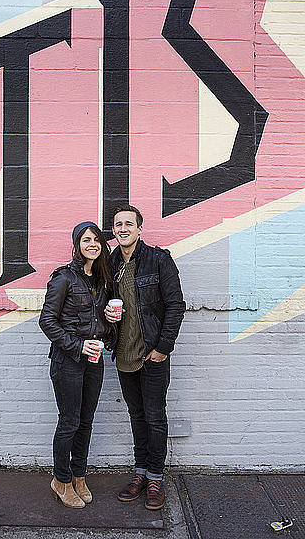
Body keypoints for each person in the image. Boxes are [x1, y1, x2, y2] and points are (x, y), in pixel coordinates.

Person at [105, 204, 185, 510]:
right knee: (136, 416)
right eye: (117, 224)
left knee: (154, 417)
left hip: (152, 356)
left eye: (128, 224)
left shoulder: (158, 259)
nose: (123, 229)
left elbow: (176, 305)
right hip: (124, 355)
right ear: (113, 231)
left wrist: (163, 348)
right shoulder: (109, 263)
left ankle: (155, 478)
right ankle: (139, 473)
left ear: (140, 228)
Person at [39, 221, 114, 508]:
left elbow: (100, 322)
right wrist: (78, 345)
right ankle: (61, 479)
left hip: (94, 360)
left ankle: (79, 476)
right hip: (67, 360)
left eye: (96, 239)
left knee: (86, 421)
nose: (92, 244)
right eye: (86, 240)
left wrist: (110, 324)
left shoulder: (102, 280)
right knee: (69, 422)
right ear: (77, 245)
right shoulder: (64, 278)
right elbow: (46, 321)